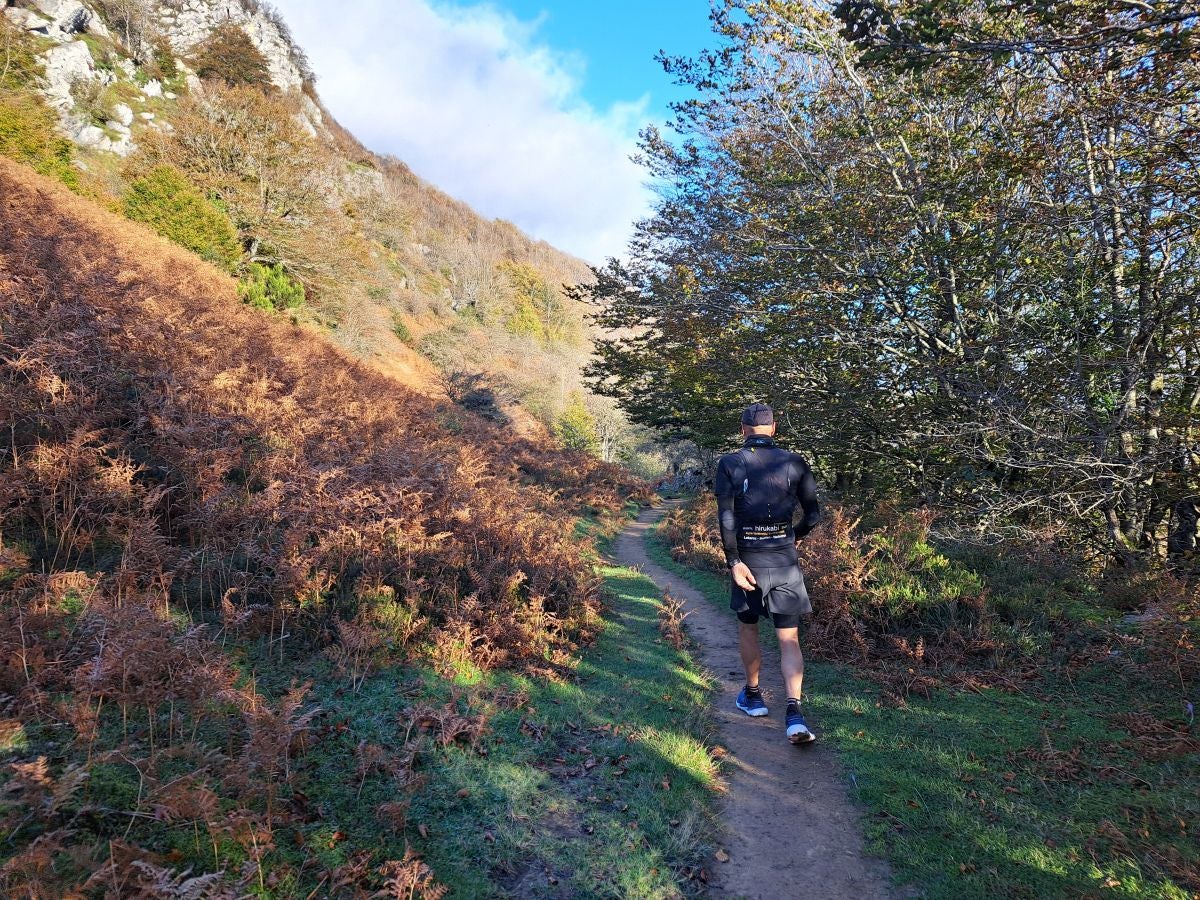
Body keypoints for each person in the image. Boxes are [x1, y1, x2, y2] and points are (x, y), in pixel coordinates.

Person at [715, 403, 821, 744]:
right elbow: (813, 515)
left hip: (748, 561)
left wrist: (734, 561)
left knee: (749, 628)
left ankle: (753, 696)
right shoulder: (795, 462)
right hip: (784, 561)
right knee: (788, 638)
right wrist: (794, 536)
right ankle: (794, 714)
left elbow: (726, 517)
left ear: (742, 429)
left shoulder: (730, 463)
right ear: (773, 428)